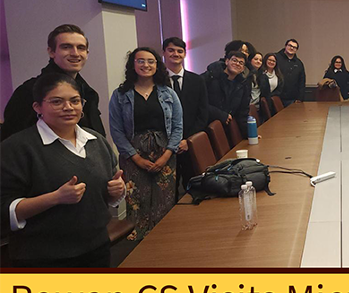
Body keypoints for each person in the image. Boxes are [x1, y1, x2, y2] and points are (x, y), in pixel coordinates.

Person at [0, 73, 125, 267]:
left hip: (96, 247)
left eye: (75, 101)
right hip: (43, 257)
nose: (68, 107)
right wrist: (56, 198)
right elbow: (5, 210)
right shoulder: (17, 148)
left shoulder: (95, 141)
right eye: (57, 102)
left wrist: (115, 192)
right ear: (37, 107)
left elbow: (102, 194)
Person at [108, 47, 182, 241]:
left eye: (151, 61)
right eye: (140, 61)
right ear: (133, 65)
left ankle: (164, 241)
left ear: (157, 65)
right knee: (136, 202)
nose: (146, 65)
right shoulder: (120, 95)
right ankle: (140, 248)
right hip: (133, 154)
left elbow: (177, 126)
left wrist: (167, 155)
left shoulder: (168, 93)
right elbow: (116, 130)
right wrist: (136, 158)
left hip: (164, 153)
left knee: (164, 200)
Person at [0, 24, 105, 143]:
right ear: (51, 52)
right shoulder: (29, 91)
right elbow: (10, 142)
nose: (75, 53)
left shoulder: (89, 93)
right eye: (66, 47)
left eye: (81, 48)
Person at [162, 37, 209, 184]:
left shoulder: (197, 80)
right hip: (165, 145)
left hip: (190, 141)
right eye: (171, 50)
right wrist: (171, 143)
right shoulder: (156, 81)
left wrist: (188, 140)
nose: (175, 54)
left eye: (179, 51)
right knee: (169, 188)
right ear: (163, 53)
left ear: (184, 54)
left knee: (193, 184)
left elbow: (203, 113)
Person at [203, 51, 251, 138]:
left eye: (241, 63)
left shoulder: (242, 85)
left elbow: (242, 113)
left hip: (227, 130)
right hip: (206, 126)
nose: (237, 64)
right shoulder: (210, 77)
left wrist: (249, 135)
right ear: (227, 61)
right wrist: (220, 114)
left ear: (243, 69)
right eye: (234, 60)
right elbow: (200, 103)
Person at [274, 39, 306, 106]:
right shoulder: (276, 58)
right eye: (290, 45)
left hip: (292, 99)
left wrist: (300, 98)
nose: (291, 48)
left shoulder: (299, 63)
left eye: (294, 47)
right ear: (285, 46)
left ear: (296, 50)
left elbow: (302, 81)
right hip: (276, 97)